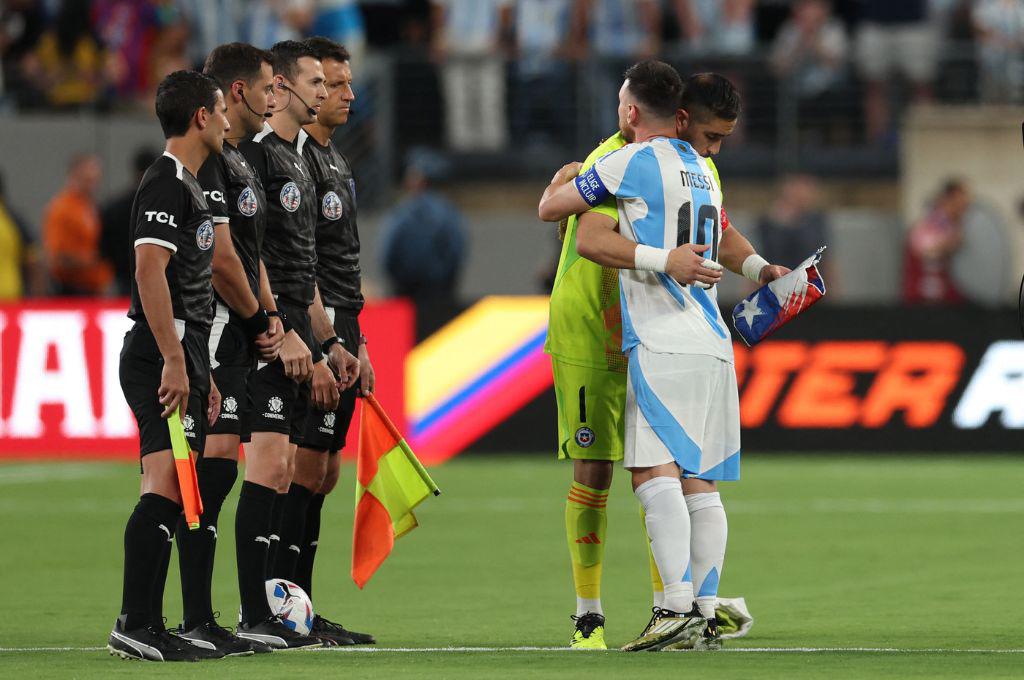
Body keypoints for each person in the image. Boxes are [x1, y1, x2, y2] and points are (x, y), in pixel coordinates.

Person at [538, 61, 787, 652]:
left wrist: (557, 187)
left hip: (653, 334)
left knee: (656, 473)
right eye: (712, 136)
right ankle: (642, 612)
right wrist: (756, 269)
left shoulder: (630, 162)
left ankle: (674, 607)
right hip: (645, 333)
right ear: (678, 118)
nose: (716, 149)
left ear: (634, 112)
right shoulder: (689, 167)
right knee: (686, 478)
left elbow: (574, 224)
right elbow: (714, 231)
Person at [235, 39, 356, 649]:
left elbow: (304, 264)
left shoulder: (303, 158)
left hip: (305, 329)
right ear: (279, 86)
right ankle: (256, 607)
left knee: (307, 472)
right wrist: (279, 330)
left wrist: (329, 338)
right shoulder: (258, 157)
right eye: (315, 80)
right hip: (267, 334)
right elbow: (249, 251)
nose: (327, 90)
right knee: (279, 468)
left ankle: (288, 608)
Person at [107, 69, 229, 662]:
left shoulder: (190, 185)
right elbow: (149, 272)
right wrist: (176, 362)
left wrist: (198, 369)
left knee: (177, 489)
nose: (229, 119)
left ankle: (149, 624)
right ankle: (136, 622)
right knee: (164, 486)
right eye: (220, 109)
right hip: (159, 355)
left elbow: (189, 288)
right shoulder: (165, 184)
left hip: (181, 356)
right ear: (200, 117)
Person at [170, 42, 286, 656]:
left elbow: (250, 254)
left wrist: (268, 316)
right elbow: (219, 260)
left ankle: (206, 616)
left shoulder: (236, 159)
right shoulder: (210, 162)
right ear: (236, 92)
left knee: (218, 477)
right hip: (211, 330)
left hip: (240, 333)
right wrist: (258, 314)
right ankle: (193, 616)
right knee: (207, 480)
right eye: (270, 87)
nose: (277, 98)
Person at [282, 35, 375, 645]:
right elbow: (301, 261)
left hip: (343, 325)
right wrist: (321, 340)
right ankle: (280, 605)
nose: (343, 93)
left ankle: (302, 607)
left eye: (343, 83)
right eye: (331, 83)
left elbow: (344, 260)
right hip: (317, 326)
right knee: (303, 468)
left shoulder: (333, 158)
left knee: (326, 473)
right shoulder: (298, 162)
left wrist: (358, 339)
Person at [379, 152, 467, 308]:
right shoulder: (449, 213)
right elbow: (456, 252)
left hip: (404, 294)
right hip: (441, 295)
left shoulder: (401, 212)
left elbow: (388, 254)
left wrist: (398, 283)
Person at [42, 153, 114, 296]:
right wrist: (94, 260)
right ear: (73, 176)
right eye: (88, 180)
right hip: (71, 290)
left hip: (92, 289)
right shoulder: (63, 208)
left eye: (95, 180)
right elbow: (57, 257)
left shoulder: (89, 207)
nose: (93, 186)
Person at [101, 147, 161, 295]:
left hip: (122, 280)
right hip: (158, 281)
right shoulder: (165, 206)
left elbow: (103, 248)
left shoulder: (113, 207)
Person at [902, 179, 969, 305]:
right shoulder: (930, 224)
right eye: (961, 200)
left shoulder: (955, 226)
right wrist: (950, 242)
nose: (964, 205)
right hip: (922, 301)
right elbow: (924, 249)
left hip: (946, 300)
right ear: (949, 199)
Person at [0, 170, 44, 299]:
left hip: (8, 297)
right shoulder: (13, 219)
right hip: (9, 295)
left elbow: (34, 261)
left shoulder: (12, 220)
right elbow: (34, 263)